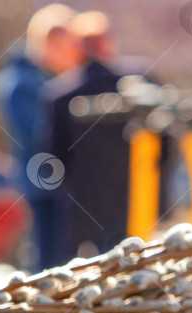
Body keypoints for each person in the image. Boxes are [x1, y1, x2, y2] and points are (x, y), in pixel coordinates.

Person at [39, 11, 157, 263]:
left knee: (81, 272)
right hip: (135, 197)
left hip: (82, 203)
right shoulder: (142, 83)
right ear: (108, 43)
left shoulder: (60, 94)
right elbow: (163, 142)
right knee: (135, 267)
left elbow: (53, 156)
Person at [0, 4, 84, 272]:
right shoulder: (20, 83)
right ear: (48, 43)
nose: (72, 56)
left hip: (57, 183)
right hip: (44, 184)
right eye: (66, 47)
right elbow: (38, 136)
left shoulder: (43, 79)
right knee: (50, 261)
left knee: (63, 258)